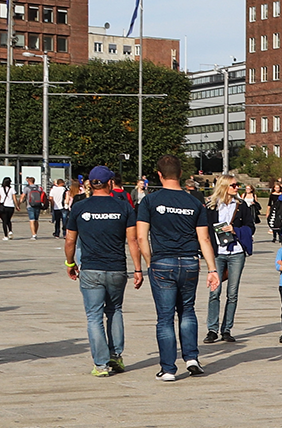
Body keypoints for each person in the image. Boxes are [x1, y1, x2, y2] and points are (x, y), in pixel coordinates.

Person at [134, 155, 220, 381]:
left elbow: (141, 237)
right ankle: (191, 357)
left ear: (159, 175)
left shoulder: (150, 201)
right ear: (181, 174)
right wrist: (212, 269)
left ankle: (169, 368)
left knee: (165, 317)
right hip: (190, 262)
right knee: (188, 311)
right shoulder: (194, 202)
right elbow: (205, 239)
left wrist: (149, 262)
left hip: (163, 261)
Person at [66, 166, 138, 376]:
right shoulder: (123, 207)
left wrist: (70, 264)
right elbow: (132, 240)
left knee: (94, 316)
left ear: (90, 184)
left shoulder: (80, 207)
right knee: (115, 310)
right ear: (110, 183)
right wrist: (139, 269)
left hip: (90, 268)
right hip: (116, 268)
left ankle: (101, 365)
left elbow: (70, 240)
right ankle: (116, 355)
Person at [201, 175, 253, 344]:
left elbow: (250, 227)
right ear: (224, 186)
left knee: (232, 293)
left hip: (236, 252)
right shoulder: (212, 207)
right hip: (217, 253)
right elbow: (204, 231)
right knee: (214, 292)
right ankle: (212, 329)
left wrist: (235, 229)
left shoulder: (241, 206)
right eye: (233, 185)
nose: (236, 188)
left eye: (237, 185)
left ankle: (227, 329)